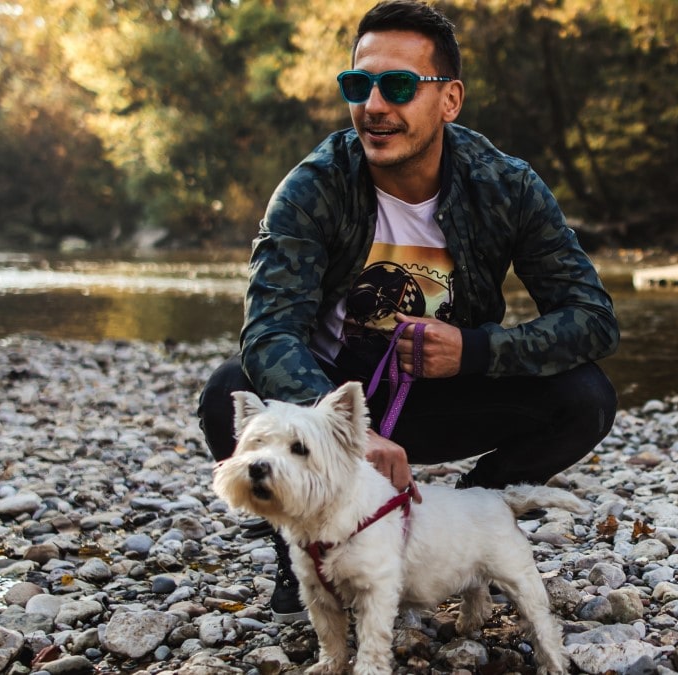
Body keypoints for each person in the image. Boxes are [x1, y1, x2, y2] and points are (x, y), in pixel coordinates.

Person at [198, 0, 619, 623]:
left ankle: (467, 522)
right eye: (358, 84)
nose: (374, 104)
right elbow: (269, 331)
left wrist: (475, 349)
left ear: (449, 100)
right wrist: (347, 430)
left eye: (398, 86)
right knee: (228, 390)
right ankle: (305, 553)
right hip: (339, 404)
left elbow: (593, 318)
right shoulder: (313, 187)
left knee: (587, 397)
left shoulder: (507, 186)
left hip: (449, 392)